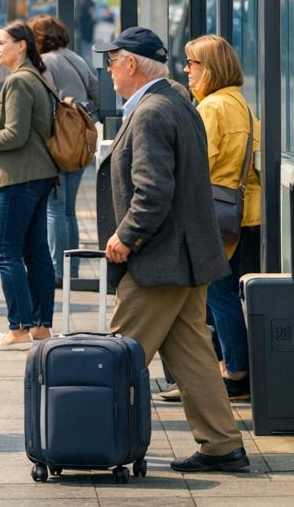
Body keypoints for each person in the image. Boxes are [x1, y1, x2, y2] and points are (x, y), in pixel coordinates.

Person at [95, 27, 248, 473]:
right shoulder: (177, 101)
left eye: (112, 61)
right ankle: (223, 444)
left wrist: (127, 236)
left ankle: (91, 438)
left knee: (121, 353)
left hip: (159, 263)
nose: (108, 69)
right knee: (194, 355)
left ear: (132, 65)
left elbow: (153, 190)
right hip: (189, 256)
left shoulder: (150, 112)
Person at [182, 34, 261, 404]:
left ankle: (235, 371)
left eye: (193, 63)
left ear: (210, 68)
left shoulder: (212, 108)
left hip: (217, 212)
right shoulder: (240, 103)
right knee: (224, 293)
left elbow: (198, 164)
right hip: (245, 212)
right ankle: (228, 366)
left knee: (218, 293)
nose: (186, 70)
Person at [0, 21, 57, 351]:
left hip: (18, 178)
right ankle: (39, 326)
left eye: (1, 42)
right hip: (37, 176)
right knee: (35, 252)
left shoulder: (19, 82)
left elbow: (15, 135)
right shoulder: (36, 77)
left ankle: (18, 327)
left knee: (5, 253)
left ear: (21, 45)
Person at [29, 14, 99, 285]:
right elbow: (98, 96)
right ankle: (72, 269)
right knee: (68, 210)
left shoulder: (45, 62)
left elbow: (45, 102)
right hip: (79, 144)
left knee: (54, 209)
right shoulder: (76, 58)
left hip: (57, 143)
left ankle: (57, 270)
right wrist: (80, 113)